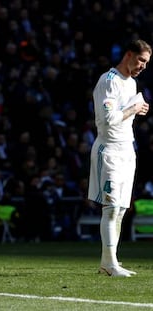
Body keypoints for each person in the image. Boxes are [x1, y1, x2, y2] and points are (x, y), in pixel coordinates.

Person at [88, 39, 152, 277]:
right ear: (128, 55)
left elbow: (125, 116)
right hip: (110, 149)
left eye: (146, 63)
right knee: (111, 207)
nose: (143, 66)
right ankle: (110, 263)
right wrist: (134, 108)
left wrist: (139, 107)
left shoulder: (131, 83)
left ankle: (109, 262)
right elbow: (108, 120)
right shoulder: (109, 81)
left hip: (127, 149)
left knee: (121, 209)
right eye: (141, 60)